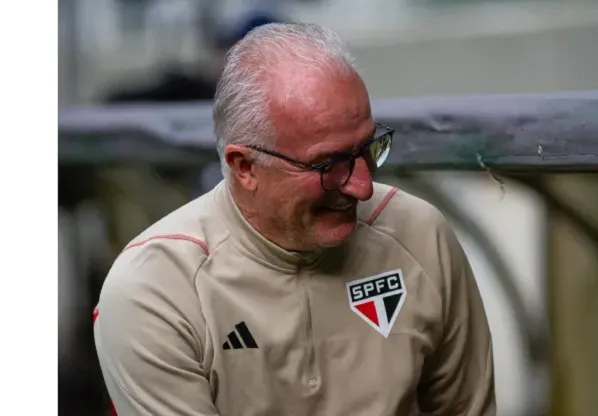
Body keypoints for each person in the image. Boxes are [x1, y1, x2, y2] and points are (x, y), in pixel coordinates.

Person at [93, 23, 496, 416]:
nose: (362, 186)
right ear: (244, 166)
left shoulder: (421, 236)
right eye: (330, 164)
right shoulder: (156, 292)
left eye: (369, 148)